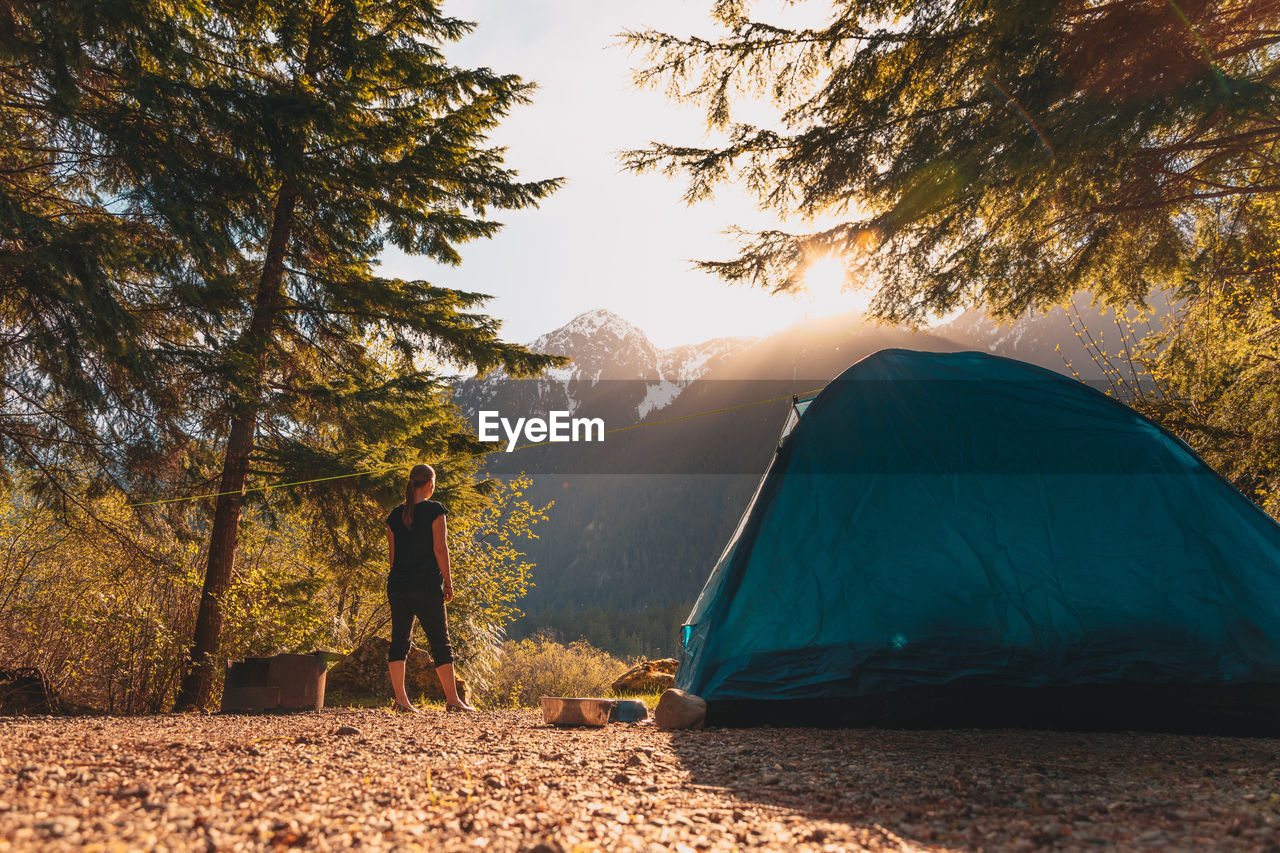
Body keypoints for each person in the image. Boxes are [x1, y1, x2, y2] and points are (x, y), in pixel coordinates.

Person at [385, 463, 474, 713]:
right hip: (426, 586)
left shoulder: (394, 515)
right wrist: (448, 581)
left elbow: (392, 559)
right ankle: (453, 700)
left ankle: (401, 700)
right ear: (430, 484)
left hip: (399, 586)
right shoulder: (435, 510)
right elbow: (440, 549)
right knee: (440, 642)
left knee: (399, 641)